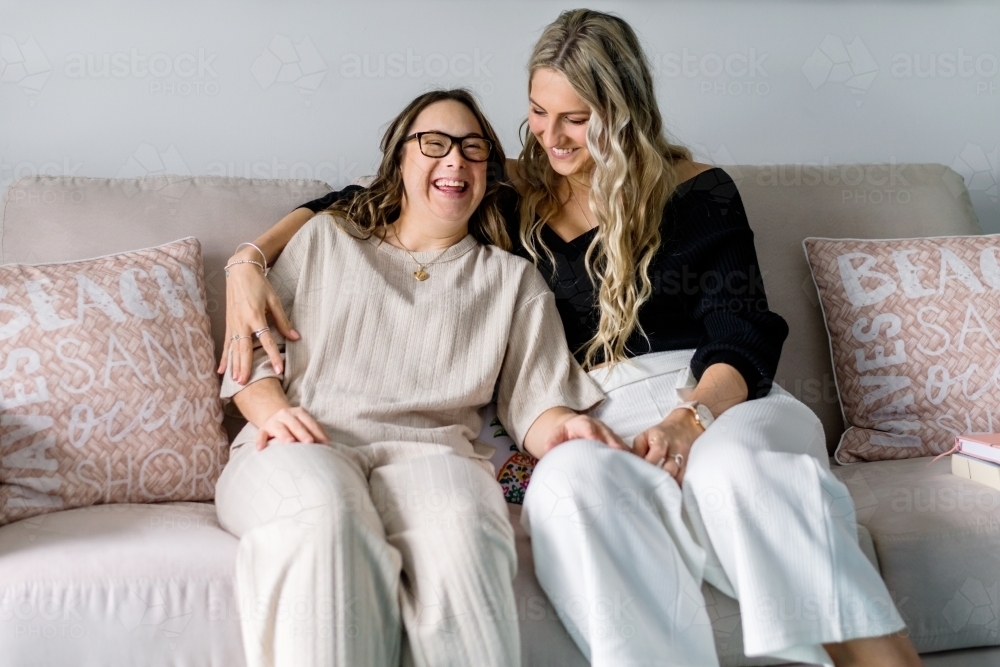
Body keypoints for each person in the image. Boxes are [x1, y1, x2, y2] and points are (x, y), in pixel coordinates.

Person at [219, 10, 922, 667]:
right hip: (599, 408)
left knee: (738, 476)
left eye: (576, 119)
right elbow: (376, 196)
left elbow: (742, 332)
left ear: (621, 113)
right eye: (538, 112)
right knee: (574, 490)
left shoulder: (699, 191)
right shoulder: (513, 190)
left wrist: (690, 417)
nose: (552, 137)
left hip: (718, 396)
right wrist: (249, 260)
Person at [214, 88, 622, 667]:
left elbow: (539, 401)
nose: (454, 160)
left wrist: (566, 431)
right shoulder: (327, 239)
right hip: (303, 441)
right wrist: (273, 413)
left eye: (473, 148)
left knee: (466, 539)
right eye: (434, 144)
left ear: (488, 172)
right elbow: (249, 359)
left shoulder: (512, 282)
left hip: (436, 458)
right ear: (400, 160)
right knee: (325, 520)